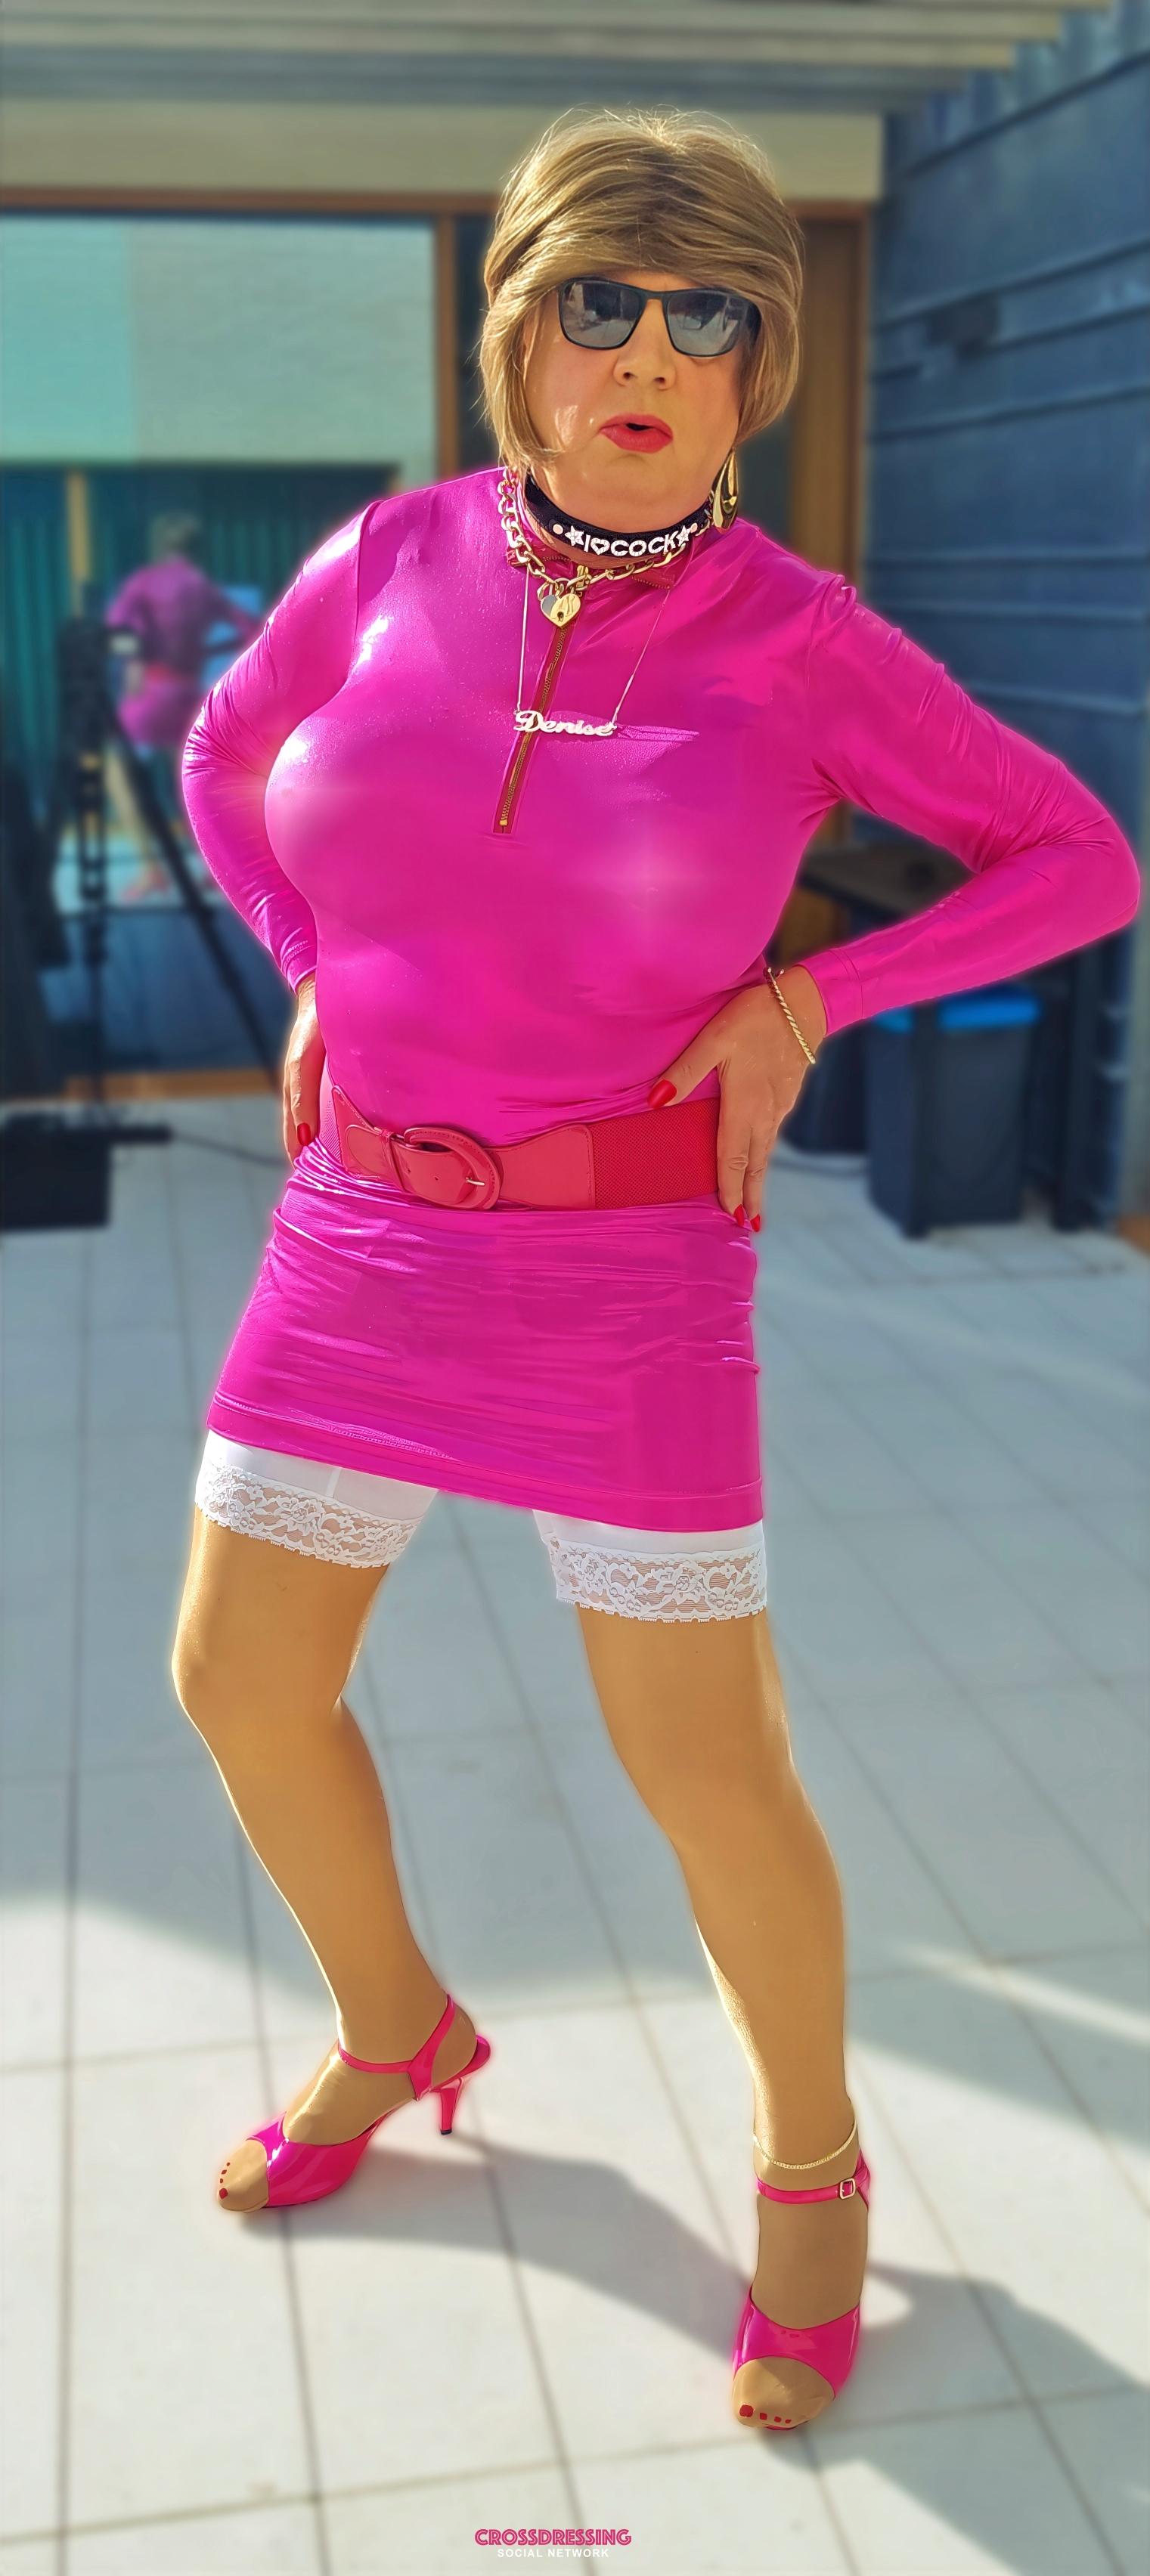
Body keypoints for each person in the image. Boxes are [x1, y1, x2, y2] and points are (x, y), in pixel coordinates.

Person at [170, 108, 1140, 2436]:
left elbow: (1079, 855)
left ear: (757, 369)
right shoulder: (390, 558)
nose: (651, 356)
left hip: (625, 1264)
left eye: (711, 319)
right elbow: (224, 759)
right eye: (600, 303)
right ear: (520, 333)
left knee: (703, 1762)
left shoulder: (805, 645)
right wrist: (312, 963)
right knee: (238, 1683)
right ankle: (396, 2023)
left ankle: (815, 2169)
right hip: (357, 1231)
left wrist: (814, 994)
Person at [104, 511, 259, 899]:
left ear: (158, 546)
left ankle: (150, 867)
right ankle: (214, 869)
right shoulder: (205, 588)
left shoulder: (145, 582)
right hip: (189, 695)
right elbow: (251, 630)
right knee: (189, 783)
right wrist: (213, 653)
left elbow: (117, 630)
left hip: (152, 690)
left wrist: (135, 659)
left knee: (116, 769)